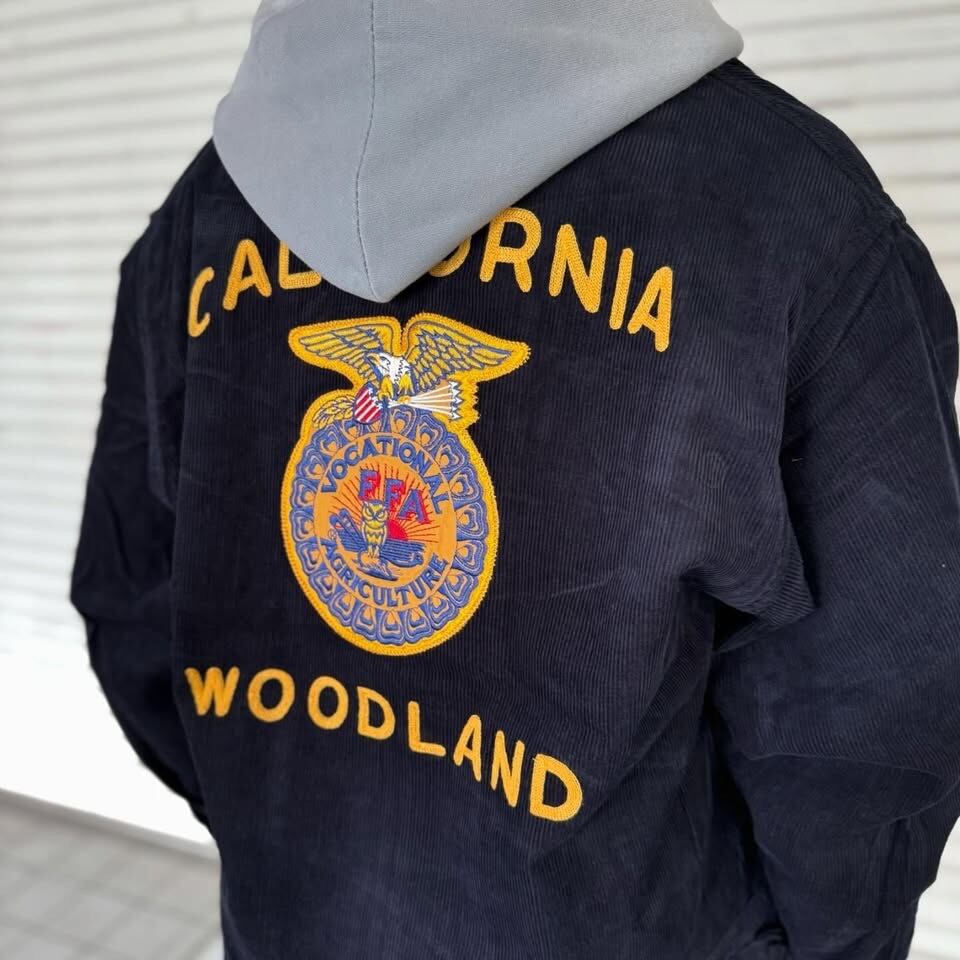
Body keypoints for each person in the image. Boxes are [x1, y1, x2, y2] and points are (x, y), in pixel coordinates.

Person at [71, 2, 960, 958]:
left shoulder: (195, 223)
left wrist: (272, 833)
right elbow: (872, 716)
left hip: (287, 922)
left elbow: (130, 605)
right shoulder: (789, 208)